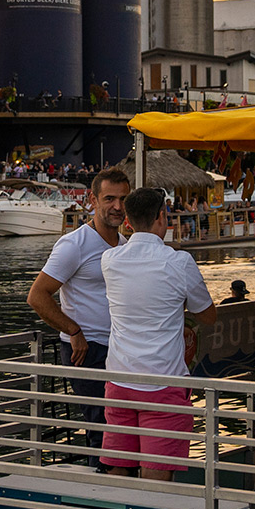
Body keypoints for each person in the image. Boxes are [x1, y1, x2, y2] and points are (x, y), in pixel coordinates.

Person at [99, 187, 217, 481]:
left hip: (119, 380)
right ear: (162, 218)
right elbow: (208, 315)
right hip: (163, 383)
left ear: (127, 221)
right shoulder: (179, 262)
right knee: (157, 478)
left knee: (117, 469)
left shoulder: (109, 260)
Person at [27, 168, 132, 454]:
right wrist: (73, 330)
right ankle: (102, 488)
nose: (117, 207)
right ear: (92, 200)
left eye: (123, 199)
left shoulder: (124, 245)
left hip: (121, 350)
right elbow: (37, 296)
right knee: (101, 427)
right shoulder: (74, 244)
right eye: (109, 198)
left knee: (123, 427)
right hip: (88, 350)